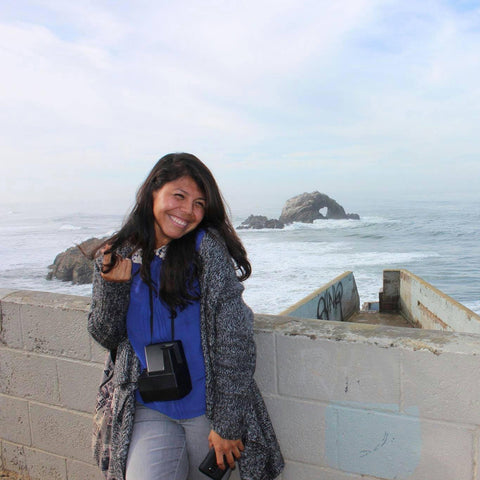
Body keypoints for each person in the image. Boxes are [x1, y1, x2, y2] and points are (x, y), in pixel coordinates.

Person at [88, 153, 284, 480]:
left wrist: (227, 424)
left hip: (208, 412)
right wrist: (113, 287)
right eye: (179, 196)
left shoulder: (206, 250)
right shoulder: (117, 253)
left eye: (199, 204)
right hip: (150, 407)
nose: (187, 211)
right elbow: (105, 336)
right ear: (153, 191)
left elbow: (235, 338)